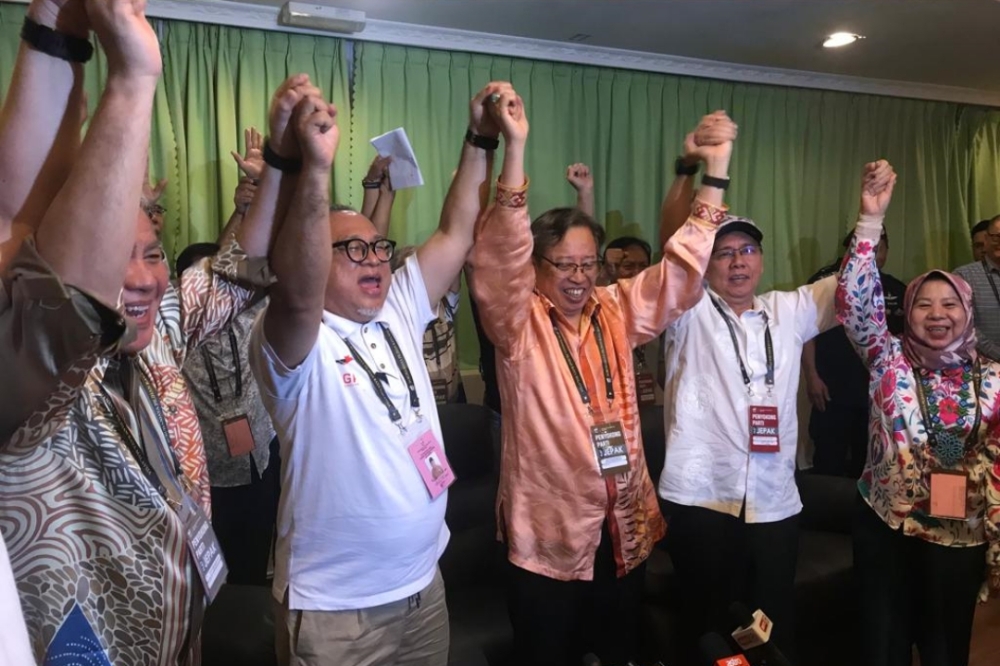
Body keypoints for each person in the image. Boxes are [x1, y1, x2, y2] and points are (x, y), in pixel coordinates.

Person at [0, 3, 298, 659]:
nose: (140, 280)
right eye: (115, 258)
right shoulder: (29, 376)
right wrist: (126, 74)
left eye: (154, 254)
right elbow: (40, 272)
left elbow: (243, 268)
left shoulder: (162, 326)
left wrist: (279, 161)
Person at [248, 82, 512, 666]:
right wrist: (315, 170)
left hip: (425, 588)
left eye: (378, 247)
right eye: (352, 250)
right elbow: (296, 291)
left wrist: (480, 139)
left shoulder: (398, 305)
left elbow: (456, 231)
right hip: (339, 612)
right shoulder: (295, 340)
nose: (373, 259)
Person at [468, 109, 734, 666]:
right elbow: (496, 257)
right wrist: (514, 148)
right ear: (536, 265)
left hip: (622, 530)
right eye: (564, 265)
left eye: (588, 264)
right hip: (549, 537)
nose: (579, 277)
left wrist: (715, 171)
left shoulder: (615, 308)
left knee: (619, 651)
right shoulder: (517, 322)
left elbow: (681, 272)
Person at [656, 113, 838, 662]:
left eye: (747, 251)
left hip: (773, 499)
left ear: (761, 260)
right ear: (707, 264)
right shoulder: (687, 309)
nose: (737, 261)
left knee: (770, 624)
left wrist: (871, 219)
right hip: (701, 495)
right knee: (707, 623)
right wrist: (689, 168)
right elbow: (675, 249)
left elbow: (855, 285)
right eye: (724, 252)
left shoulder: (790, 309)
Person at [837, 160, 1000, 666]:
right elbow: (854, 304)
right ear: (907, 312)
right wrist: (870, 220)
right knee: (882, 642)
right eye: (924, 304)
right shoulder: (887, 358)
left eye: (949, 304)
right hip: (886, 524)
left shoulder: (995, 378)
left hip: (960, 531)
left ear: (967, 312)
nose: (937, 315)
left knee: (945, 645)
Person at [802, 229, 907, 477]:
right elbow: (806, 332)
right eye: (865, 248)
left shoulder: (896, 289)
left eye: (878, 249)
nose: (872, 255)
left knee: (870, 463)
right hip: (831, 388)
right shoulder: (824, 283)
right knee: (828, 462)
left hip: (876, 393)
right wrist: (811, 376)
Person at [955, 214, 1000, 362]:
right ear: (986, 239)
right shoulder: (964, 276)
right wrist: (997, 354)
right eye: (996, 237)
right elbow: (965, 326)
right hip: (982, 365)